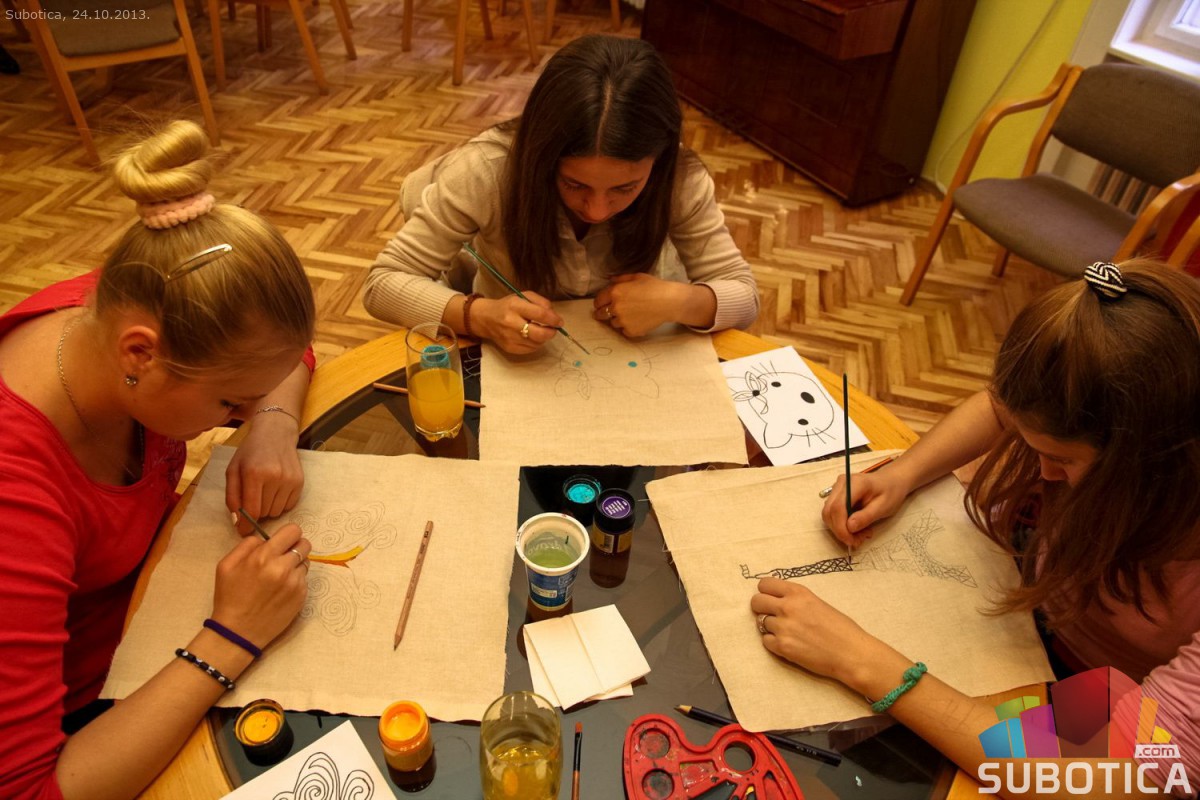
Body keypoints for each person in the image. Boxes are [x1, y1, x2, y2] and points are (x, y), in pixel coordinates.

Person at [751, 260, 1200, 797]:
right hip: (1026, 616)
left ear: (1157, 461)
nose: (1043, 474)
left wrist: (862, 662)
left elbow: (1114, 778)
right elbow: (1003, 409)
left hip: (1095, 704)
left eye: (1062, 459)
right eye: (1032, 447)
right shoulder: (1118, 413)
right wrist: (902, 473)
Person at [0, 120, 319, 800]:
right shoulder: (15, 496)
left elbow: (283, 354)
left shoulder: (130, 298)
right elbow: (31, 788)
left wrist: (271, 424)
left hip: (157, 608)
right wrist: (230, 636)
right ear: (140, 353)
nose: (238, 417)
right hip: (93, 710)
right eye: (230, 403)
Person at [363, 34, 759, 353]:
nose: (597, 210)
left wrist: (681, 302)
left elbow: (744, 294)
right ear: (541, 154)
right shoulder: (487, 171)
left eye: (625, 188)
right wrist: (479, 315)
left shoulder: (679, 178)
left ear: (659, 160)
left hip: (634, 356)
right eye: (574, 184)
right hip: (514, 361)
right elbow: (383, 283)